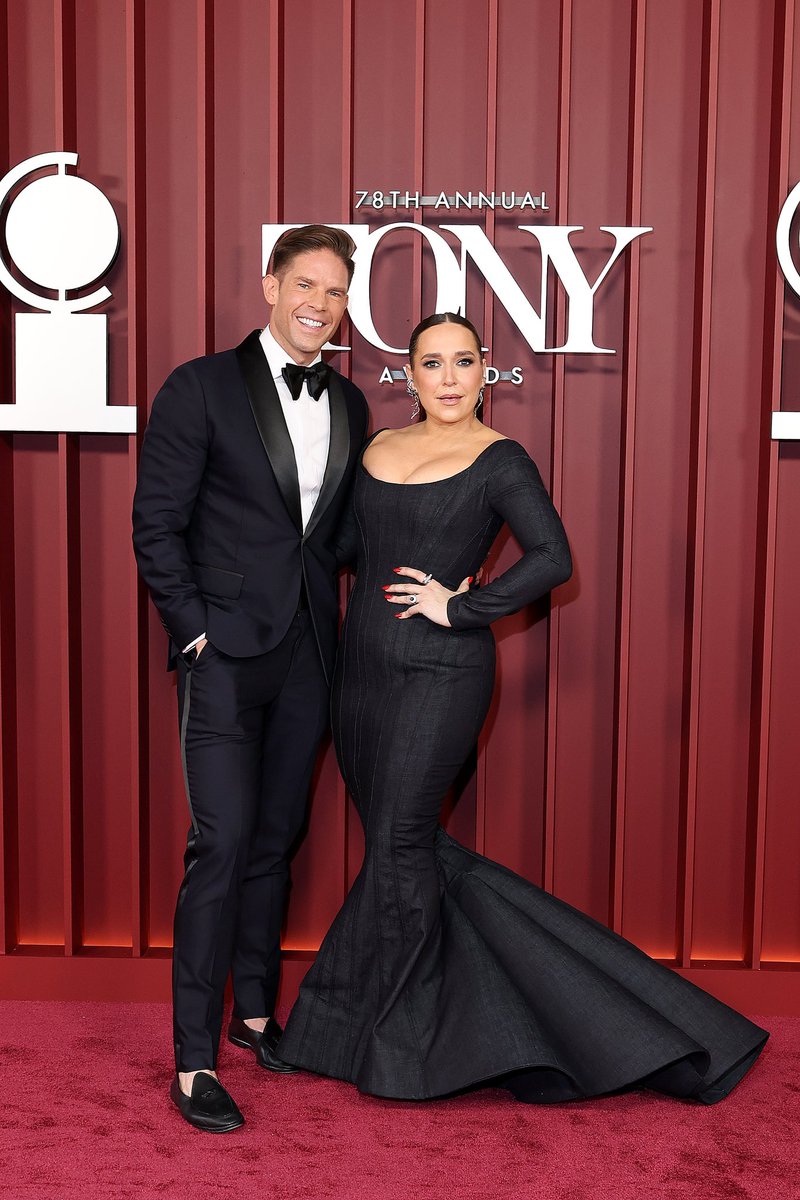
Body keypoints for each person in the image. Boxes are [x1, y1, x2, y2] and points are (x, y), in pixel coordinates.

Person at [277, 311, 768, 1104]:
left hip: (443, 673)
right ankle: (486, 1020)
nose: (447, 378)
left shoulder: (499, 458)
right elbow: (338, 551)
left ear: (484, 373)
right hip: (360, 678)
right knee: (407, 851)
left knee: (400, 843)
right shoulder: (375, 447)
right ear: (408, 375)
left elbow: (552, 557)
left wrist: (461, 607)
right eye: (431, 363)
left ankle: (399, 1044)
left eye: (462, 362)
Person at [132, 225, 369, 1132]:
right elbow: (157, 523)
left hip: (310, 653)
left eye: (336, 291)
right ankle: (193, 1060)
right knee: (222, 845)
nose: (319, 304)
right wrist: (194, 634)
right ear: (270, 284)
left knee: (275, 840)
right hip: (225, 652)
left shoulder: (349, 402)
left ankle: (256, 1015)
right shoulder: (199, 386)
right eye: (306, 283)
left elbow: (337, 537)